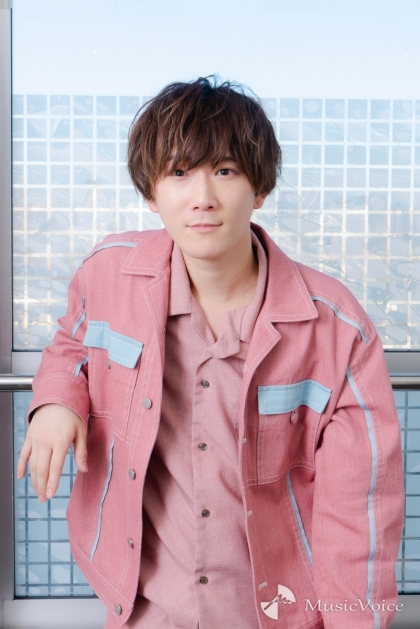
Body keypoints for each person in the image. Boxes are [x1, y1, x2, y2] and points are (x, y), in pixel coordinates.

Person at [18, 76, 404, 629]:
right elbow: (72, 344)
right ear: (150, 192)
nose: (202, 197)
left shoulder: (337, 329)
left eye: (224, 171)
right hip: (141, 609)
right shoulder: (108, 273)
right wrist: (58, 401)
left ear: (260, 188)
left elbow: (359, 519)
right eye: (179, 172)